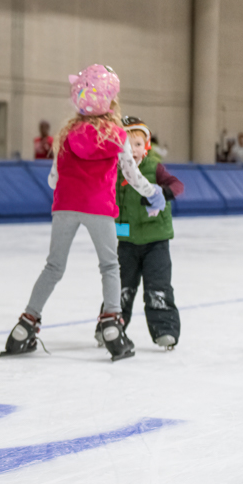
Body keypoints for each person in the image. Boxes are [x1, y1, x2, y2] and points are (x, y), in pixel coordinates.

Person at [0, 64, 164, 362]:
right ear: (110, 101)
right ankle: (112, 325)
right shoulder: (117, 135)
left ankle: (25, 325)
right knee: (110, 266)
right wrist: (153, 192)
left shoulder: (66, 134)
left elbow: (53, 180)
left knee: (53, 267)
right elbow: (131, 174)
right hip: (99, 208)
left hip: (65, 206)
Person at [95, 116, 183, 350]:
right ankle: (110, 327)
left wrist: (162, 193)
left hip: (156, 241)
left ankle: (165, 329)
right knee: (121, 287)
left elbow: (177, 185)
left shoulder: (153, 167)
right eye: (126, 144)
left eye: (137, 144)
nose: (131, 151)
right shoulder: (115, 171)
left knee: (158, 286)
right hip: (126, 241)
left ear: (146, 146)